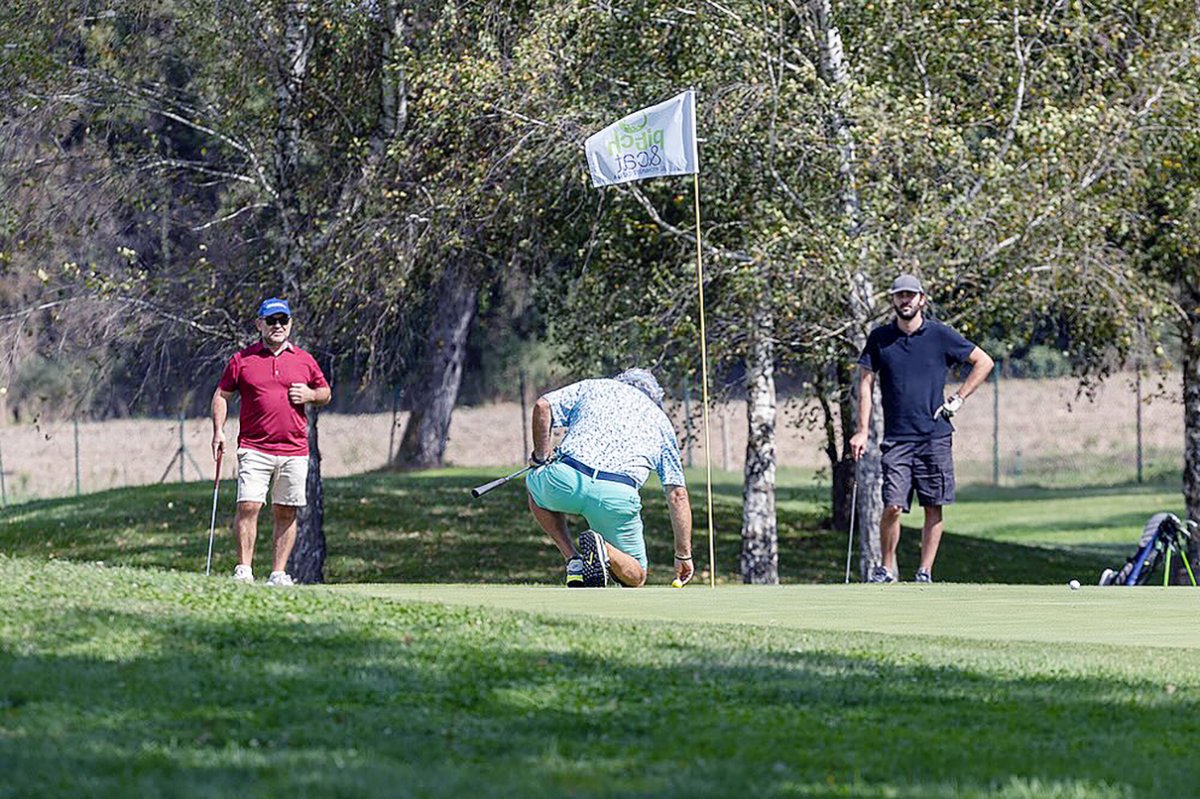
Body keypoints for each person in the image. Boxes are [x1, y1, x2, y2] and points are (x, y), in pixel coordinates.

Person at [849, 274, 994, 583]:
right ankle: (886, 569)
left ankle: (924, 572)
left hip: (935, 436)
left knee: (933, 505)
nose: (905, 300)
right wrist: (862, 430)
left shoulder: (939, 335)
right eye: (900, 295)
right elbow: (865, 383)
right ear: (893, 300)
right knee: (892, 505)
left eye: (910, 295)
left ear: (922, 299)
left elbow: (984, 362)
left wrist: (958, 398)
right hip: (897, 439)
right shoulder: (880, 338)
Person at [525, 368, 693, 588]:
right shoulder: (661, 421)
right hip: (616, 496)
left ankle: (573, 560)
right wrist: (683, 554)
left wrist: (541, 457)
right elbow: (677, 495)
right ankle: (604, 550)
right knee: (636, 575)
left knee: (535, 483)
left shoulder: (594, 387)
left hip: (565, 479)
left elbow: (542, 406)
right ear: (654, 397)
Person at [211, 298, 331, 586]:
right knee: (249, 506)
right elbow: (221, 395)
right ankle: (244, 570)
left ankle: (278, 573)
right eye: (271, 320)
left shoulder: (304, 360)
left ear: (289, 324)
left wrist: (310, 396)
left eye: (283, 320)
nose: (278, 326)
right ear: (259, 324)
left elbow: (325, 391)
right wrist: (218, 430)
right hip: (254, 447)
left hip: (294, 449)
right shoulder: (243, 360)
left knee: (286, 510)